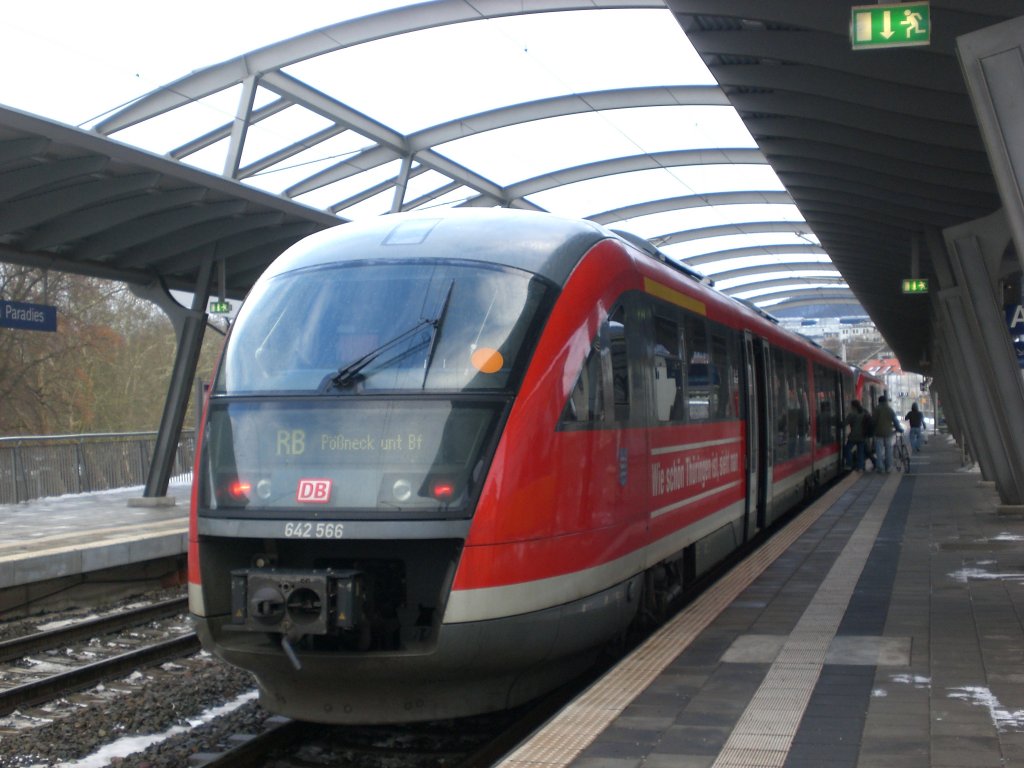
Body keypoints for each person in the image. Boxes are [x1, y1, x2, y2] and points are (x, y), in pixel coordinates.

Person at [872, 395, 903, 473]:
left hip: (878, 433)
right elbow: (895, 421)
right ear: (886, 402)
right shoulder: (890, 410)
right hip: (888, 433)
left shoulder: (876, 410)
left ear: (879, 402)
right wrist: (899, 429)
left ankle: (880, 467)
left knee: (879, 451)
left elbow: (873, 421)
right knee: (888, 450)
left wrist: (872, 430)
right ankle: (889, 467)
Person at [843, 399, 868, 471]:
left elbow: (845, 423)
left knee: (847, 449)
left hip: (853, 436)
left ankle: (849, 464)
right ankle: (860, 467)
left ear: (853, 406)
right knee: (861, 452)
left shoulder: (852, 414)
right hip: (863, 436)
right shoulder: (864, 412)